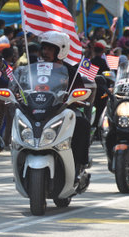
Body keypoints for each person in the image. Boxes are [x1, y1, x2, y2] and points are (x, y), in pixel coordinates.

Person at [38, 31, 91, 174]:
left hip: (64, 110)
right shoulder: (36, 69)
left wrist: (74, 98)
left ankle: (79, 164)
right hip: (39, 110)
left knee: (82, 124)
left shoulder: (71, 72)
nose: (45, 52)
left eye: (50, 48)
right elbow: (24, 85)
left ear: (60, 50)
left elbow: (80, 93)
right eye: (44, 48)